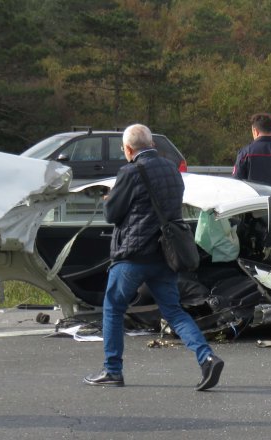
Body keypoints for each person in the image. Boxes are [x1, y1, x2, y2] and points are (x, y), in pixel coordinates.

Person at [84, 124, 224, 391]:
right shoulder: (172, 169)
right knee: (173, 311)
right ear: (153, 145)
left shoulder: (129, 171)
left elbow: (113, 214)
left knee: (113, 307)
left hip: (134, 255)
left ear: (127, 149)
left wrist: (109, 198)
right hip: (165, 255)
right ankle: (207, 357)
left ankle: (113, 370)